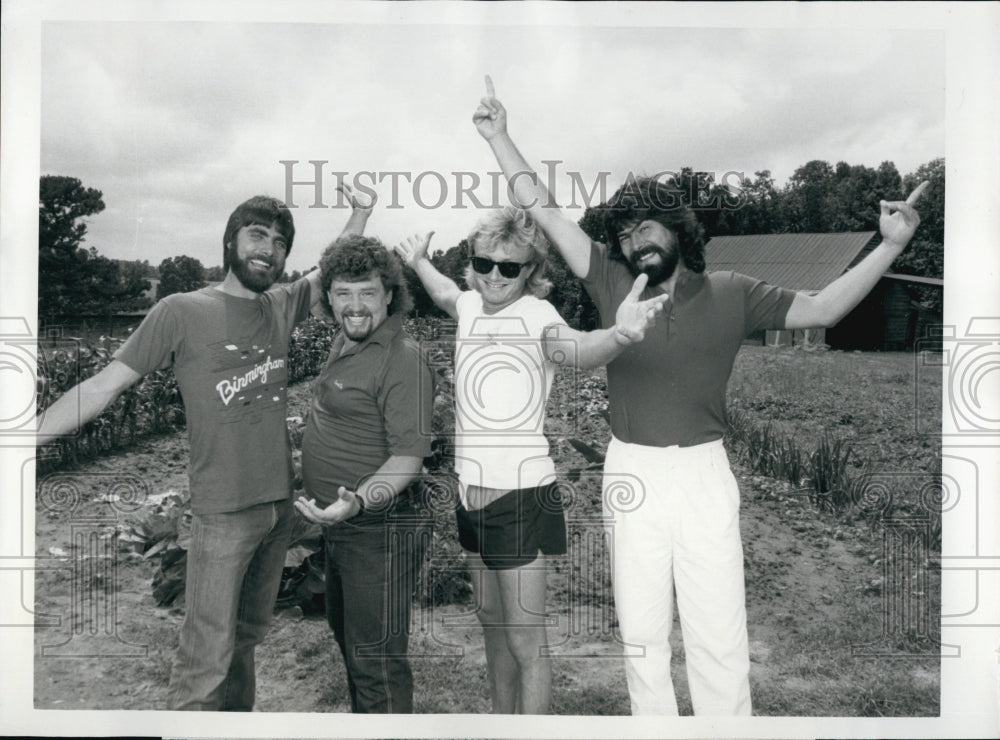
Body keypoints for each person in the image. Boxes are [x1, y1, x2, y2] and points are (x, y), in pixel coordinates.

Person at [472, 76, 929, 715]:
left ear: (680, 228)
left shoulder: (734, 291)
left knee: (717, 633)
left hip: (704, 472)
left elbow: (824, 308)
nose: (634, 242)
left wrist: (890, 246)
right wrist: (500, 137)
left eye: (644, 228)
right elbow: (545, 210)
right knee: (642, 637)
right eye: (624, 233)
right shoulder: (610, 279)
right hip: (632, 470)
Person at [35, 186, 373, 711]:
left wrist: (361, 213)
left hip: (278, 509)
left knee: (246, 641)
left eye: (280, 241)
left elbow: (325, 272)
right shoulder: (180, 311)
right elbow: (103, 385)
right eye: (257, 234)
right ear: (230, 241)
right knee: (204, 661)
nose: (269, 248)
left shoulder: (279, 307)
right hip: (222, 513)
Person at [392, 207, 667, 714]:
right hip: (470, 497)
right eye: (485, 263)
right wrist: (418, 260)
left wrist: (620, 336)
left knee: (526, 644)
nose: (496, 275)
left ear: (531, 272)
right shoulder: (470, 304)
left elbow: (579, 350)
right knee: (493, 633)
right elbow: (444, 293)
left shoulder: (537, 317)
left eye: (511, 267)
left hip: (518, 497)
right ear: (473, 263)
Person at [294, 235, 435, 714]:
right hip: (345, 526)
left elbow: (406, 460)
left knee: (375, 661)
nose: (354, 306)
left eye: (367, 292)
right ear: (329, 297)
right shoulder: (350, 337)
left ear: (390, 293)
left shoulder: (402, 359)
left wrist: (357, 500)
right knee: (353, 646)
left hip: (378, 527)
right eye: (343, 293)